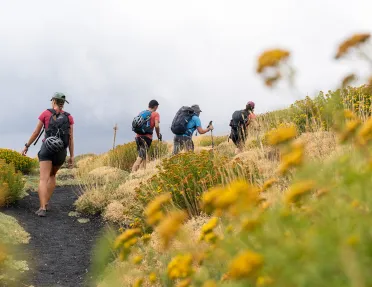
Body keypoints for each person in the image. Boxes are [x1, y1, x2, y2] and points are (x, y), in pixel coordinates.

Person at [22, 93, 74, 217]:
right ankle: (46, 203)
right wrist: (71, 156)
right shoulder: (69, 117)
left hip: (47, 148)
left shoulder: (45, 113)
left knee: (43, 178)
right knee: (52, 175)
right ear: (63, 102)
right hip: (61, 151)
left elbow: (36, 132)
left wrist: (27, 146)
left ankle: (42, 207)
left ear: (53, 101)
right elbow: (71, 138)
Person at [132, 100, 162, 172]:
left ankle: (142, 172)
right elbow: (157, 126)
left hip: (138, 137)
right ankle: (133, 173)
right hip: (147, 137)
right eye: (157, 106)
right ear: (155, 106)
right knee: (141, 156)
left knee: (144, 156)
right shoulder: (155, 114)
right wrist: (158, 135)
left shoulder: (142, 113)